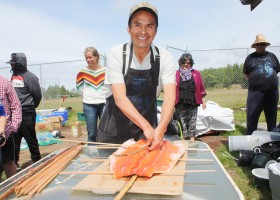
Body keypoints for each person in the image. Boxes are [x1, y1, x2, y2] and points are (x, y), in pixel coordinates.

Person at [97, 2, 176, 150]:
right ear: (129, 29)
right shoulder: (117, 54)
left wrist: (162, 127)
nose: (143, 31)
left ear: (156, 31)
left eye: (149, 25)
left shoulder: (165, 58)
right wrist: (146, 125)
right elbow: (120, 98)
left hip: (146, 135)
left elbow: (170, 97)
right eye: (138, 25)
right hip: (113, 132)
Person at [7, 53, 42, 169]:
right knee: (14, 139)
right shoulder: (13, 77)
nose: (11, 66)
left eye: (13, 64)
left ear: (19, 64)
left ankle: (37, 161)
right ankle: (14, 162)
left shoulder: (30, 77)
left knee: (30, 138)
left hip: (27, 111)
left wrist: (31, 106)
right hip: (14, 112)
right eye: (11, 64)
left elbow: (37, 95)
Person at [243, 34, 280, 135]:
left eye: (262, 44)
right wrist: (255, 81)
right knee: (252, 114)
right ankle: (250, 135)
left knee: (271, 115)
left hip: (272, 91)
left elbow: (276, 70)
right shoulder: (250, 58)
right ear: (255, 46)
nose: (260, 46)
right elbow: (246, 72)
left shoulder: (272, 56)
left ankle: (272, 137)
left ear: (265, 45)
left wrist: (267, 79)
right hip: (255, 92)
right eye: (258, 44)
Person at [76, 47, 106, 143]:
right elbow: (79, 89)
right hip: (89, 105)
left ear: (97, 57)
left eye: (90, 57)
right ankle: (92, 155)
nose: (88, 60)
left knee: (105, 131)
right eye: (86, 58)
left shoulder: (106, 71)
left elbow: (111, 87)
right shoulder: (82, 72)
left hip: (104, 104)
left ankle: (105, 153)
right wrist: (89, 95)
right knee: (92, 132)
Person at [174, 53, 207, 141]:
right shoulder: (176, 74)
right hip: (179, 103)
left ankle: (192, 141)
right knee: (182, 123)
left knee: (192, 122)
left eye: (188, 63)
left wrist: (204, 100)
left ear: (191, 63)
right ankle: (184, 141)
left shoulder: (196, 73)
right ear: (180, 63)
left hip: (193, 101)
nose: (186, 64)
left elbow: (201, 87)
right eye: (184, 62)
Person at [0, 75, 22, 178]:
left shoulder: (4, 83)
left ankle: (13, 187)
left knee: (9, 162)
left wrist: (13, 126)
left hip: (5, 133)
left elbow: (16, 105)